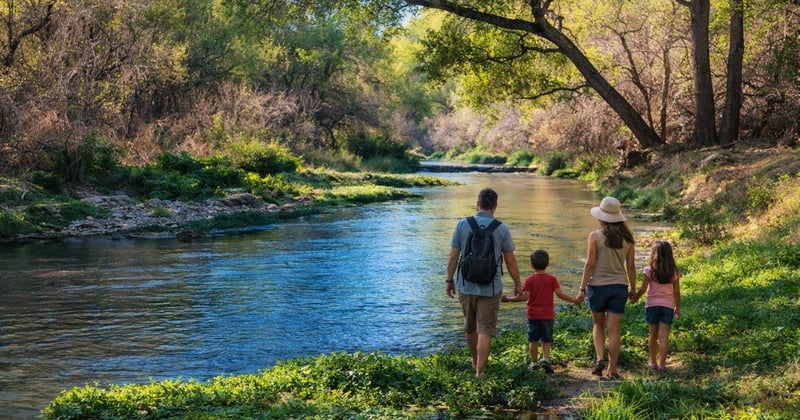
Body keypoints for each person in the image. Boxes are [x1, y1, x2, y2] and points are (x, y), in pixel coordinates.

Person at [446, 188, 522, 378]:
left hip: (466, 284)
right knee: (485, 330)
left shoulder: (463, 225)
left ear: (477, 204)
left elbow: (453, 256)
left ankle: (474, 361)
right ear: (495, 207)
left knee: (470, 327)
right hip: (491, 287)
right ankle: (480, 372)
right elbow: (510, 260)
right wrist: (517, 283)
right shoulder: (501, 229)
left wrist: (449, 280)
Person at [576, 196, 636, 381]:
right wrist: (633, 289)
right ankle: (612, 369)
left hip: (598, 287)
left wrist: (582, 288)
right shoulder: (629, 239)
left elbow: (589, 265)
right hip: (619, 287)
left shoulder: (595, 236)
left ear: (601, 217)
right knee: (614, 330)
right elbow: (631, 267)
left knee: (598, 325)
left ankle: (600, 358)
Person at [501, 249, 580, 373]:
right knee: (546, 339)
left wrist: (508, 299)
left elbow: (525, 297)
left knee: (533, 340)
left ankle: (533, 363)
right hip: (547, 315)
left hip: (533, 315)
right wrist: (574, 300)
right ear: (548, 264)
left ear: (531, 265)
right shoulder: (552, 279)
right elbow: (560, 294)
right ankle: (546, 360)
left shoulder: (530, 280)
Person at [633, 240, 681, 375]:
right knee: (664, 336)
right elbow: (676, 293)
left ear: (654, 254)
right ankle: (662, 365)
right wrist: (677, 308)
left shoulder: (649, 270)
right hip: (667, 306)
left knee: (653, 334)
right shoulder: (673, 272)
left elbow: (643, 289)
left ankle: (653, 362)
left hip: (652, 306)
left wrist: (636, 297)